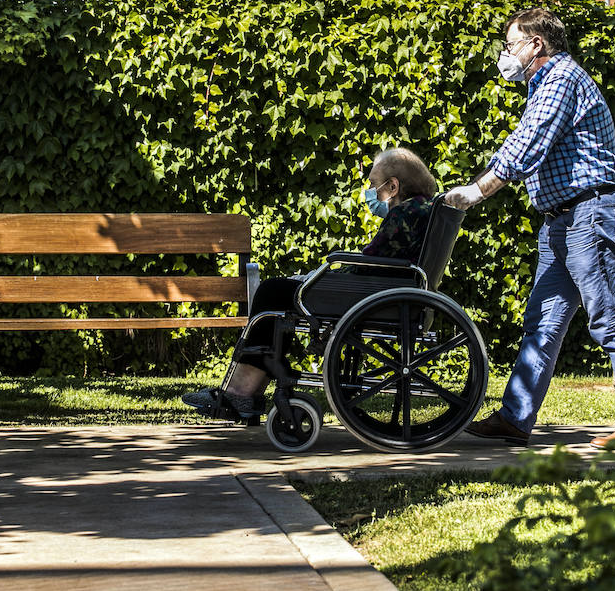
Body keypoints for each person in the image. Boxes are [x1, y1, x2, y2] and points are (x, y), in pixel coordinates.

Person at [445, 6, 615, 449]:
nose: (506, 55)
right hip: (562, 220)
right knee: (541, 322)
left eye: (511, 45)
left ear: (535, 44)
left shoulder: (561, 79)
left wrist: (477, 191)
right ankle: (515, 418)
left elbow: (529, 142)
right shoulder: (544, 85)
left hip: (590, 213)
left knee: (609, 316)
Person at [182, 147, 438, 421]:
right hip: (384, 293)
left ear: (393, 185)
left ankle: (241, 390)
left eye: (374, 185)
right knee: (281, 293)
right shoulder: (420, 209)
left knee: (272, 291)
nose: (371, 191)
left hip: (369, 296)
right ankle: (248, 388)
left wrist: (319, 277)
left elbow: (369, 263)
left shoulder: (404, 215)